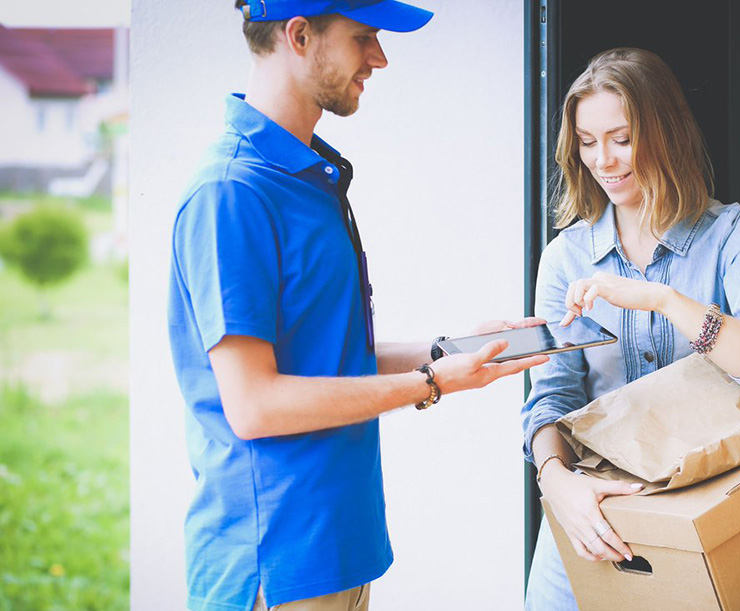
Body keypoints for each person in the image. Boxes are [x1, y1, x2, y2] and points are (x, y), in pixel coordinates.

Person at [167, 2, 547, 610]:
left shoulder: (303, 174)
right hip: (275, 568)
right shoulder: (231, 192)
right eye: (362, 37)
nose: (379, 57)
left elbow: (329, 358)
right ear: (299, 35)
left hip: (338, 552)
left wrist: (451, 351)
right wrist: (431, 383)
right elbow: (255, 405)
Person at [521, 47, 740, 610]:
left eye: (621, 138)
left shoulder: (733, 238)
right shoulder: (565, 259)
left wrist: (666, 300)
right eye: (586, 141)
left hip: (705, 515)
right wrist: (556, 480)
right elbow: (552, 394)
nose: (603, 160)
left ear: (664, 130)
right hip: (589, 515)